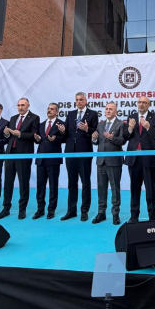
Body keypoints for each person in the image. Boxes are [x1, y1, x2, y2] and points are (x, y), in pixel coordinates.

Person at [123, 96, 155, 223]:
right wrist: (129, 129)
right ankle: (134, 216)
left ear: (149, 105)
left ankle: (152, 216)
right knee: (134, 188)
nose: (141, 104)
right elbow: (126, 136)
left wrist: (148, 127)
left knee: (150, 189)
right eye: (140, 102)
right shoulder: (131, 117)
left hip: (149, 159)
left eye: (144, 102)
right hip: (134, 158)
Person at [59, 92, 98, 221]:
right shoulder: (70, 114)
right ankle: (71, 210)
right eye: (77, 100)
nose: (79, 102)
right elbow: (66, 134)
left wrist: (87, 129)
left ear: (86, 101)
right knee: (71, 182)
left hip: (84, 152)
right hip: (70, 151)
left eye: (81, 99)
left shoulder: (92, 114)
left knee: (85, 182)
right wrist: (62, 131)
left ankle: (84, 210)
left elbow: (96, 132)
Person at [0, 98, 39, 220]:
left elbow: (34, 135)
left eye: (22, 105)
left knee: (23, 182)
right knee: (8, 182)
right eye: (18, 105)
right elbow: (8, 137)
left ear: (28, 105)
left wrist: (20, 134)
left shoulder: (34, 118)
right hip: (10, 153)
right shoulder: (13, 118)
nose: (20, 107)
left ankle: (22, 209)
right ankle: (6, 208)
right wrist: (7, 133)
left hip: (24, 154)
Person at [92, 102, 126, 225]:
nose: (108, 111)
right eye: (106, 109)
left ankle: (115, 213)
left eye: (111, 109)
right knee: (101, 188)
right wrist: (94, 138)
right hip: (101, 161)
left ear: (116, 111)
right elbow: (97, 142)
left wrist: (112, 138)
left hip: (114, 161)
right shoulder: (100, 124)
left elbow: (122, 141)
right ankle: (101, 212)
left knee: (115, 188)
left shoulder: (120, 124)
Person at [33, 103, 64, 220]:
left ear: (57, 112)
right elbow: (39, 140)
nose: (49, 111)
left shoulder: (61, 124)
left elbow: (64, 138)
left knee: (53, 186)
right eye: (48, 109)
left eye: (52, 109)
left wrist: (57, 138)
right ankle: (40, 209)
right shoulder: (41, 125)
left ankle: (51, 210)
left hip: (53, 159)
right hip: (41, 159)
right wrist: (37, 139)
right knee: (40, 186)